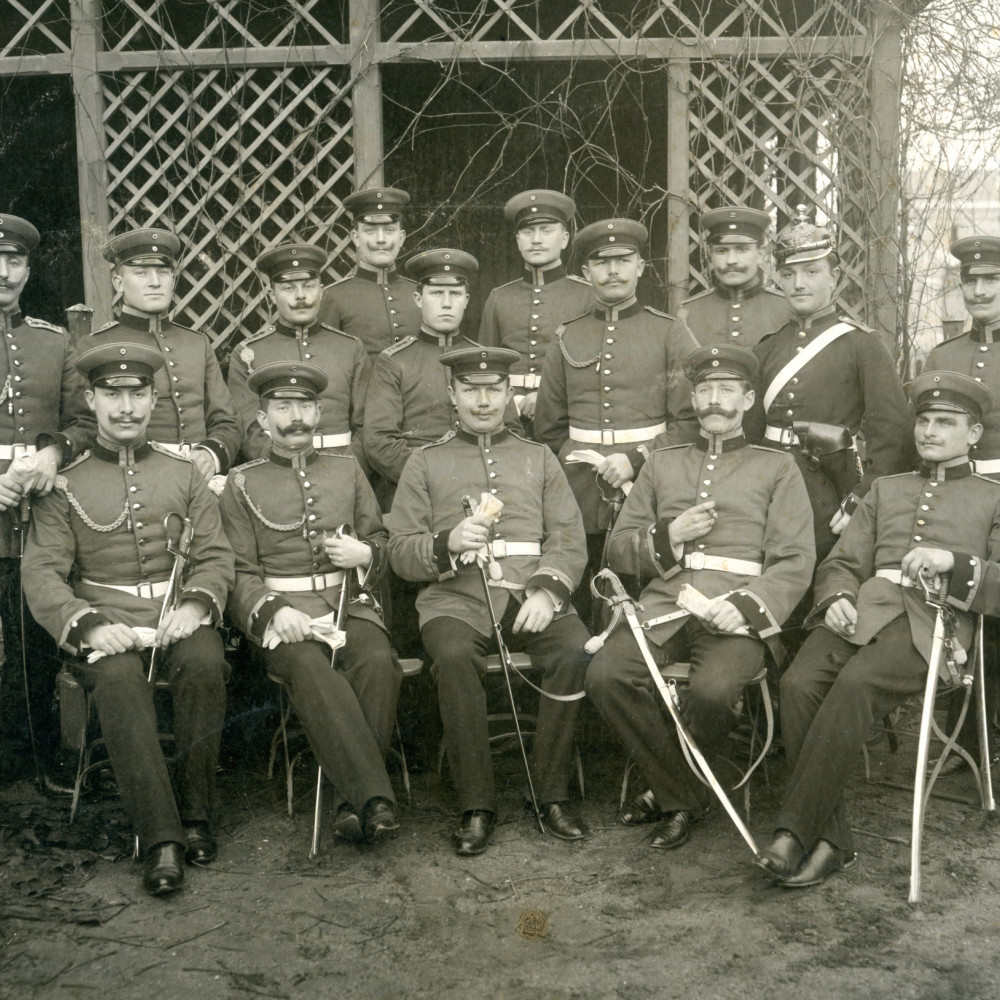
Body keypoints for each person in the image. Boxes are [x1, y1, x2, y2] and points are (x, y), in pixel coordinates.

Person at [756, 371, 1000, 888]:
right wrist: (838, 596)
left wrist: (952, 560)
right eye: (924, 421)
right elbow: (843, 561)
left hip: (936, 624)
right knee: (797, 684)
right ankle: (834, 841)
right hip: (864, 611)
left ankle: (793, 831)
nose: (930, 431)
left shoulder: (992, 496)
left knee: (856, 684)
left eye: (946, 423)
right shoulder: (884, 490)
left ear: (974, 434)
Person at [22, 342, 234, 896]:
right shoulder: (65, 482)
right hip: (105, 621)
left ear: (153, 396)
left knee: (207, 663)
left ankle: (197, 816)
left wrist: (194, 605)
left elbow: (213, 556)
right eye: (112, 395)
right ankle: (161, 838)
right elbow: (42, 574)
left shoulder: (184, 473)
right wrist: (88, 623)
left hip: (174, 617)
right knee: (119, 681)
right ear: (90, 399)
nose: (126, 408)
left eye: (138, 394)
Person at [586, 345, 814, 849]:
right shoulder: (662, 464)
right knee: (605, 675)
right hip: (664, 605)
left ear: (748, 399)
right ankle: (684, 795)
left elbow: (795, 559)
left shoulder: (777, 467)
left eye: (726, 390)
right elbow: (621, 548)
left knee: (712, 693)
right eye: (705, 391)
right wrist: (670, 535)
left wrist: (746, 608)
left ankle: (668, 791)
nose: (715, 401)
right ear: (692, 398)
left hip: (736, 609)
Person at [386, 346, 590, 856]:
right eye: (471, 390)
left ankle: (552, 795)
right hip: (454, 601)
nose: (482, 400)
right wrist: (446, 544)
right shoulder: (423, 462)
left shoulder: (538, 456)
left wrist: (546, 589)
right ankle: (476, 804)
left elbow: (568, 536)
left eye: (493, 389)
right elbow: (399, 553)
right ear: (451, 395)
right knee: (453, 657)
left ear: (508, 393)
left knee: (574, 650)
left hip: (529, 593)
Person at [219, 360, 401, 844]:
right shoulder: (240, 483)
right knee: (312, 667)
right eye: (282, 407)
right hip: (283, 614)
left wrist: (364, 553)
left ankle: (348, 802)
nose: (294, 416)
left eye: (304, 405)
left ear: (319, 413)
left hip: (348, 603)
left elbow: (380, 537)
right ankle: (375, 800)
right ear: (262, 419)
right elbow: (237, 570)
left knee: (378, 661)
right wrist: (274, 610)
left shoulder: (348, 469)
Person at [533, 218, 699, 618]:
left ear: (640, 267)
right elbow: (548, 427)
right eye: (601, 262)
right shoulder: (566, 336)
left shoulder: (669, 332)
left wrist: (637, 459)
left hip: (648, 486)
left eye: (623, 260)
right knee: (577, 600)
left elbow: (690, 422)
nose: (613, 270)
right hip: (578, 493)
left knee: (640, 598)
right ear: (586, 272)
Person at [752, 207, 912, 563]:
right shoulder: (767, 347)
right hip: (768, 489)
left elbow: (893, 437)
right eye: (789, 273)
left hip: (831, 492)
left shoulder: (862, 345)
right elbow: (750, 433)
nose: (799, 283)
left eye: (812, 271)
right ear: (778, 278)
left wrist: (861, 497)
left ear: (834, 277)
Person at [0, 213, 95, 787]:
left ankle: (35, 758)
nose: (3, 272)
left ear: (29, 269)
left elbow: (83, 420)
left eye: (14, 261)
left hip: (36, 514)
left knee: (34, 639)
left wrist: (54, 454)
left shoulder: (52, 340)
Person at [89, 228, 242, 482]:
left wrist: (210, 454)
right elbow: (86, 426)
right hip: (131, 478)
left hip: (198, 479)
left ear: (172, 278)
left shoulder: (197, 343)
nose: (155, 282)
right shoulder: (96, 345)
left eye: (163, 272)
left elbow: (227, 421)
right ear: (118, 282)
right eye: (141, 273)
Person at [362, 248, 485, 514]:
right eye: (436, 293)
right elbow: (379, 442)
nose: (446, 303)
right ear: (418, 299)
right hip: (413, 492)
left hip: (479, 488)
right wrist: (437, 475)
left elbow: (508, 432)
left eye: (454, 294)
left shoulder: (481, 358)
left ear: (467, 300)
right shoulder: (393, 362)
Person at [227, 242, 370, 464]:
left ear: (321, 291)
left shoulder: (350, 348)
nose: (301, 296)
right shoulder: (248, 353)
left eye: (309, 286)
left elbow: (366, 425)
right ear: (272, 295)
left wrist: (348, 469)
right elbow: (248, 429)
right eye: (288, 288)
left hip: (343, 466)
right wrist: (280, 467)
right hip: (275, 469)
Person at [478, 189, 592, 431]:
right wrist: (513, 404)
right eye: (528, 232)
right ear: (517, 240)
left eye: (547, 231)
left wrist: (546, 395)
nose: (536, 239)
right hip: (506, 417)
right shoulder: (499, 297)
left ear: (564, 239)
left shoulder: (588, 295)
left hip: (566, 416)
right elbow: (486, 368)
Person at [318, 186, 422, 356]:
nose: (380, 240)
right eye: (370, 230)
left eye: (389, 230)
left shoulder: (421, 295)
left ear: (401, 237)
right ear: (356, 238)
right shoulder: (332, 297)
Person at [677, 206, 789, 350]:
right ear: (711, 256)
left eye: (741, 249)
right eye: (721, 251)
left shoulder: (785, 309)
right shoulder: (688, 313)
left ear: (761, 254)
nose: (731, 260)